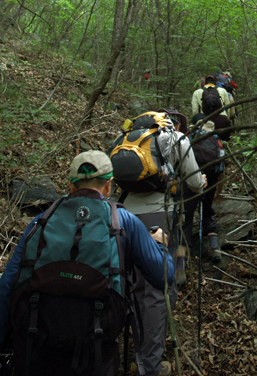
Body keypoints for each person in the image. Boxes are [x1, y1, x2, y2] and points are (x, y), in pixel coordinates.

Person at [0, 150, 174, 376]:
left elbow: (7, 285)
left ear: (71, 186)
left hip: (36, 346)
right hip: (96, 353)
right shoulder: (123, 221)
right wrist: (160, 245)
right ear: (109, 186)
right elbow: (164, 277)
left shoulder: (42, 220)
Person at [108, 110, 207, 376]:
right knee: (156, 289)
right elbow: (196, 183)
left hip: (122, 216)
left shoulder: (123, 139)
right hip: (159, 216)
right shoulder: (173, 138)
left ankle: (127, 351)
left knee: (127, 281)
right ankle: (149, 364)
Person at [182, 115, 225, 264]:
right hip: (211, 178)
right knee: (207, 210)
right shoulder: (216, 139)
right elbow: (221, 167)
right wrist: (219, 188)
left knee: (185, 216)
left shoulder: (189, 136)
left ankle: (183, 258)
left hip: (191, 178)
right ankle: (214, 248)